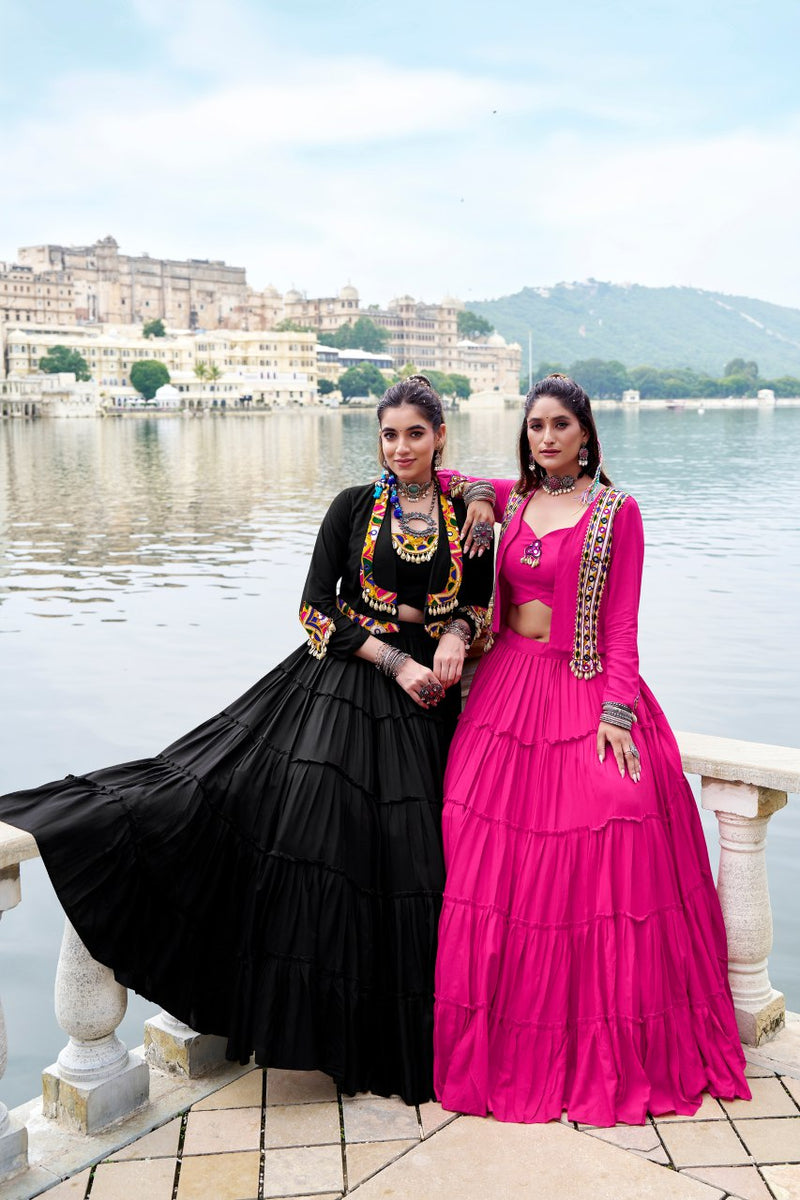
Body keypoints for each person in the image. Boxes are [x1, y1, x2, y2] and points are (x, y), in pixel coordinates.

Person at [0, 375, 494, 1106]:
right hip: (349, 686)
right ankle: (316, 1034)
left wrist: (455, 635)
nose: (400, 448)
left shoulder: (465, 515)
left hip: (430, 706)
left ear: (440, 436)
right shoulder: (353, 507)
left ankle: (397, 1040)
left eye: (415, 434)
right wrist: (394, 660)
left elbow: (481, 602)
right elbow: (316, 611)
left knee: (415, 867)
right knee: (310, 839)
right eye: (389, 434)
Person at [433, 374, 751, 1126]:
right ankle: (508, 1038)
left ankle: (604, 1040)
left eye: (559, 426)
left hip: (583, 688)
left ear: (586, 433)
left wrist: (616, 711)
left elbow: (623, 627)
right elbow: (446, 474)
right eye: (535, 426)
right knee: (481, 841)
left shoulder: (616, 511)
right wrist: (480, 497)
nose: (545, 438)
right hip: (509, 689)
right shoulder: (512, 501)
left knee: (614, 817)